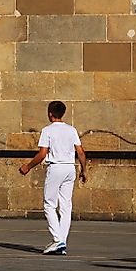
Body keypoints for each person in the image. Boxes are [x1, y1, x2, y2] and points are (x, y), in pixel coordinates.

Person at [19, 100, 87, 255]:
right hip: (70, 168)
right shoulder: (72, 130)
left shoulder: (47, 130)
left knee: (49, 205)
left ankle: (58, 240)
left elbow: (42, 153)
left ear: (50, 113)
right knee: (66, 206)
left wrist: (28, 166)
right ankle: (62, 242)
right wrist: (84, 170)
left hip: (56, 168)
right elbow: (81, 152)